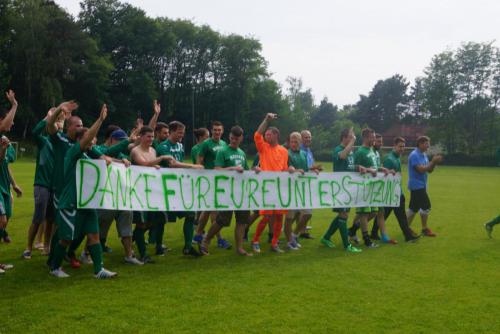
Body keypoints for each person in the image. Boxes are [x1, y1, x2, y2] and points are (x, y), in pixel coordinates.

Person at [49, 104, 117, 278]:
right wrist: (100, 120)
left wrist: (110, 161)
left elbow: (104, 158)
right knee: (66, 238)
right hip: (70, 202)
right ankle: (55, 268)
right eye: (90, 141)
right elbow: (88, 139)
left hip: (87, 203)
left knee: (93, 235)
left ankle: (99, 270)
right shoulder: (73, 152)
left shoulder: (87, 154)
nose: (93, 144)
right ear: (82, 140)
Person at [200, 126, 253, 256]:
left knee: (242, 221)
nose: (234, 140)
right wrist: (233, 168)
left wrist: (255, 170)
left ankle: (239, 248)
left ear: (241, 138)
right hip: (227, 191)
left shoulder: (242, 153)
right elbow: (217, 169)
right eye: (232, 138)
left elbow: (246, 170)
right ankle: (206, 240)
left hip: (241, 192)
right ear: (229, 137)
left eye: (237, 138)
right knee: (222, 220)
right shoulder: (222, 151)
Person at [156, 121, 204, 257]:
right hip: (165, 188)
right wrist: (194, 167)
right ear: (171, 131)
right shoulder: (163, 147)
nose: (182, 135)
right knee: (161, 219)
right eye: (179, 132)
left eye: (183, 132)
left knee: (190, 214)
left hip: (179, 187)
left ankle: (188, 247)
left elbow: (180, 164)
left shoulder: (180, 146)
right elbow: (172, 164)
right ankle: (158, 245)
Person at [130, 126, 174, 263]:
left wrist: (155, 166)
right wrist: (160, 159)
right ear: (141, 136)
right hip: (139, 192)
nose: (151, 139)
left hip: (152, 191)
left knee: (157, 220)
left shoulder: (153, 150)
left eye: (152, 137)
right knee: (142, 223)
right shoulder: (135, 151)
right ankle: (143, 254)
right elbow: (143, 164)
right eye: (148, 136)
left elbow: (150, 166)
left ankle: (140, 241)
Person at [251, 113, 293, 253]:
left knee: (279, 216)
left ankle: (274, 243)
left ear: (276, 136)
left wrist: (291, 169)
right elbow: (257, 135)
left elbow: (284, 168)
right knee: (267, 215)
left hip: (280, 189)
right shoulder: (263, 148)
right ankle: (255, 240)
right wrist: (266, 120)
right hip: (267, 188)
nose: (266, 136)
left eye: (269, 134)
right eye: (266, 134)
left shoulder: (283, 151)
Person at [320, 128, 363, 253]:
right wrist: (352, 142)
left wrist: (359, 168)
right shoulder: (338, 150)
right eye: (351, 136)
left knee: (342, 215)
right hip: (340, 188)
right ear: (344, 138)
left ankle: (326, 237)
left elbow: (349, 165)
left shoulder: (350, 151)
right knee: (343, 215)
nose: (353, 138)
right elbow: (342, 156)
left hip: (348, 187)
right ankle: (347, 245)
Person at [370, 137, 420, 242]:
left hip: (395, 191)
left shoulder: (396, 157)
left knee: (384, 214)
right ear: (394, 146)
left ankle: (373, 233)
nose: (402, 149)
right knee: (400, 216)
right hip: (392, 193)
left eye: (403, 146)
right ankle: (408, 236)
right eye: (400, 146)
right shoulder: (390, 159)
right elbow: (384, 176)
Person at [23, 109, 57, 259]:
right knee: (38, 218)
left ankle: (47, 247)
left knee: (50, 220)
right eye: (56, 124)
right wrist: (46, 117)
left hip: (55, 186)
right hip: (42, 184)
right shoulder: (45, 141)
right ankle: (28, 247)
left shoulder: (61, 145)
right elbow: (35, 132)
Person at [194, 121, 231, 249]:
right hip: (209, 181)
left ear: (222, 131)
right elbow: (199, 160)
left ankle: (198, 234)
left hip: (220, 181)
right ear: (212, 130)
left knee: (208, 209)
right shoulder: (206, 144)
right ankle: (219, 239)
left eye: (219, 130)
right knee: (213, 210)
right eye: (215, 130)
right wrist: (202, 175)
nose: (217, 132)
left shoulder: (224, 144)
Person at [284, 132, 318, 250]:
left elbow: (305, 168)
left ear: (300, 142)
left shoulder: (304, 154)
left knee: (308, 214)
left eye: (296, 142)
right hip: (290, 190)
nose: (293, 144)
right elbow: (286, 168)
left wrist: (313, 170)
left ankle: (294, 235)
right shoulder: (286, 153)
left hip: (303, 189)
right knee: (289, 217)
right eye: (292, 141)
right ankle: (289, 241)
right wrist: (292, 169)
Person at [406, 136, 443, 236]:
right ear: (420, 144)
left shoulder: (424, 155)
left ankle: (405, 228)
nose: (428, 146)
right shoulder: (414, 155)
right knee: (426, 206)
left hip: (421, 185)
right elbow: (421, 169)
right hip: (416, 185)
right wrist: (433, 161)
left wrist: (434, 163)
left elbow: (429, 170)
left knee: (413, 208)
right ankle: (424, 229)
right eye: (426, 144)